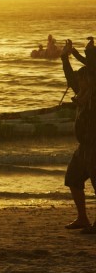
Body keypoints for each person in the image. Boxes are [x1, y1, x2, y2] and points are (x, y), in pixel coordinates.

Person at [61, 39, 96, 232]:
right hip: (84, 148)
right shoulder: (82, 91)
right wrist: (65, 57)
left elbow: (93, 67)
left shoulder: (94, 94)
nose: (79, 82)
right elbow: (70, 78)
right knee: (73, 178)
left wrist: (87, 53)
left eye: (83, 79)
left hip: (95, 146)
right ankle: (82, 218)